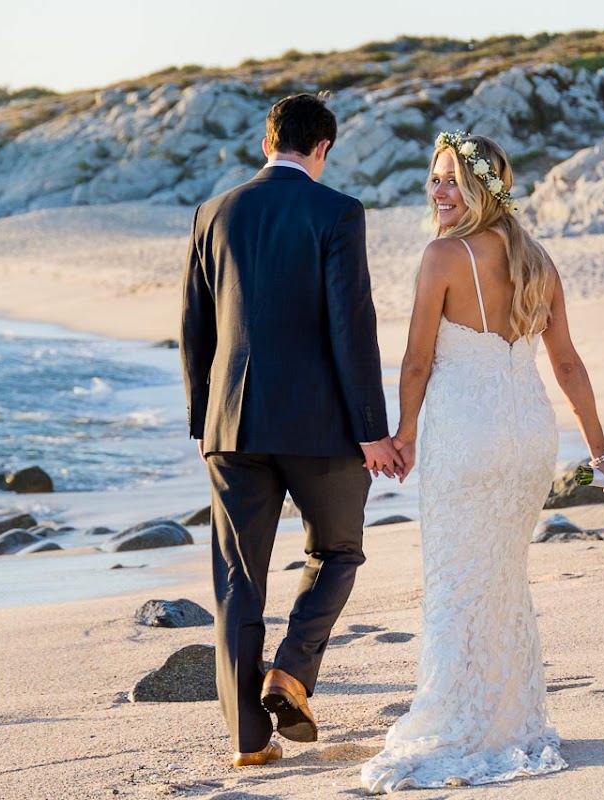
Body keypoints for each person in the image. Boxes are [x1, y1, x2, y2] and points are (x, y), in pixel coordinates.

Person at [360, 131, 604, 792]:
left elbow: (417, 361)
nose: (439, 191)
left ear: (483, 188)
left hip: (466, 434)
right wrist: (599, 450)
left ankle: (459, 720)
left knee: (458, 580)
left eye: (453, 179)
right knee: (502, 577)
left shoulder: (442, 257)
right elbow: (567, 364)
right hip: (528, 435)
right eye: (435, 178)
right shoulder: (538, 260)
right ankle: (510, 718)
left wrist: (404, 434)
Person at [180, 93, 403, 769]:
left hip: (231, 424)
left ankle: (249, 740)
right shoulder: (337, 211)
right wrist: (372, 429)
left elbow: (195, 329)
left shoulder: (212, 212)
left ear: (266, 142)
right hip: (320, 425)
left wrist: (203, 420)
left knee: (237, 580)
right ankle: (291, 670)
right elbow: (351, 325)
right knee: (338, 551)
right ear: (323, 148)